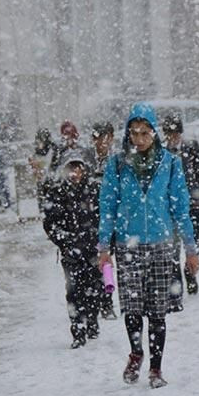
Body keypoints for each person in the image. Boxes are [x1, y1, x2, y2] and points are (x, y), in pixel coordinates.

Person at [98, 102, 199, 389]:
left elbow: (181, 208)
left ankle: (156, 368)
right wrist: (104, 247)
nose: (139, 139)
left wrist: (191, 250)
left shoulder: (170, 163)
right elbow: (106, 206)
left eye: (145, 133)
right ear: (128, 133)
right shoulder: (117, 164)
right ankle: (136, 352)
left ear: (154, 133)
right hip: (128, 245)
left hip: (161, 245)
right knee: (132, 308)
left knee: (157, 310)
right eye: (134, 133)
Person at [42, 149, 102, 349]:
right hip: (70, 252)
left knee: (94, 287)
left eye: (79, 168)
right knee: (74, 291)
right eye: (71, 168)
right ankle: (77, 329)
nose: (75, 173)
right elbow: (50, 223)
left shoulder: (95, 190)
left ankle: (92, 321)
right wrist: (65, 240)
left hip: (93, 249)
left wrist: (99, 239)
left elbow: (104, 217)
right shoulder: (57, 192)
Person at [161, 115, 199, 310]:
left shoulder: (191, 147)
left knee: (193, 241)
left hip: (191, 205)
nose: (173, 137)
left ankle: (190, 274)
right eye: (169, 134)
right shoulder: (162, 153)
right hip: (170, 208)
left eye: (175, 133)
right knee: (172, 248)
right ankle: (175, 289)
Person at [86, 122, 118, 320]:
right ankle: (94, 301)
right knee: (92, 262)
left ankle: (107, 302)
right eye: (98, 138)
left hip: (111, 218)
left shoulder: (117, 161)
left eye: (106, 137)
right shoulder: (87, 161)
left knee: (106, 260)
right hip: (89, 218)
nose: (102, 142)